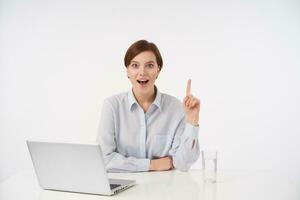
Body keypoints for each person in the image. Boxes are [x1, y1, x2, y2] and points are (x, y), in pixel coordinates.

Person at [96, 40, 200, 172]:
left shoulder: (176, 108)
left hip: (164, 190)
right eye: (135, 65)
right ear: (127, 71)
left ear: (158, 70)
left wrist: (192, 121)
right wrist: (152, 165)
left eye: (149, 65)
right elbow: (104, 160)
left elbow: (182, 164)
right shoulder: (112, 106)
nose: (142, 72)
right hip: (123, 190)